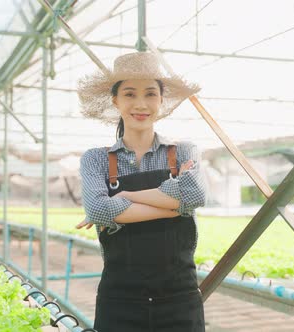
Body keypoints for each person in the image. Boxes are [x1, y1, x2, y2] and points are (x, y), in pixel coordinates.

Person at [76, 51, 207, 332]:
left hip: (179, 299)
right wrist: (174, 203)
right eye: (130, 94)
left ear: (161, 100)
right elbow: (98, 209)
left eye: (150, 94)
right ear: (116, 100)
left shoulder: (183, 151)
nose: (141, 104)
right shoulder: (96, 159)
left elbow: (195, 196)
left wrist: (125, 197)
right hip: (120, 300)